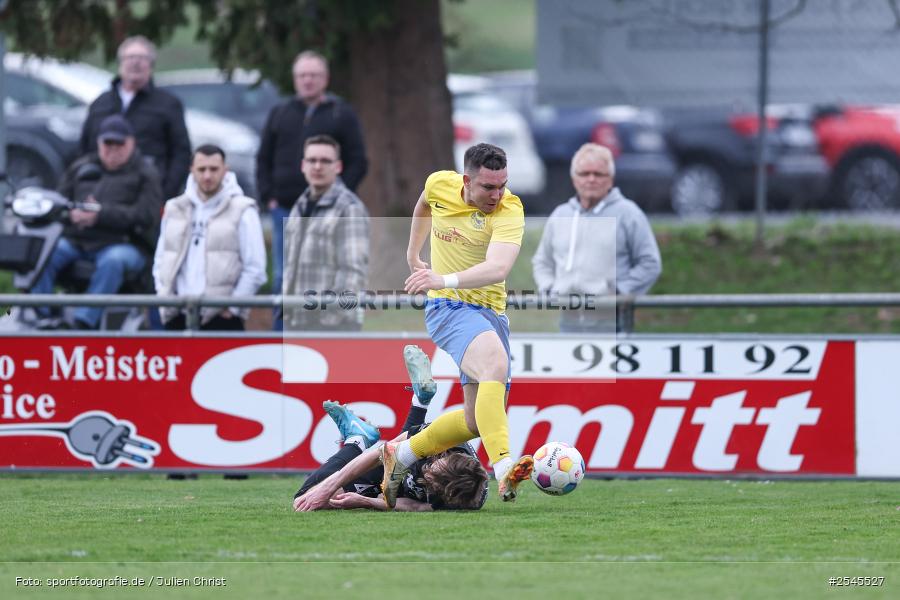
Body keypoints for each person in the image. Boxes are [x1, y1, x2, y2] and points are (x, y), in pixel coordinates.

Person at [379, 143, 534, 510]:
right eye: (488, 187)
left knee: (476, 421)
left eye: (502, 185)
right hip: (448, 307)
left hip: (491, 314)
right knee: (495, 363)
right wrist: (413, 254)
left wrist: (440, 277)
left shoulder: (510, 209)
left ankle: (401, 454)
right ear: (466, 181)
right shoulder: (440, 184)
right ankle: (504, 468)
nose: (497, 195)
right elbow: (423, 203)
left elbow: (498, 268)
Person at [293, 345, 488, 512]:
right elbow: (382, 453)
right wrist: (328, 487)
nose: (426, 470)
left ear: (446, 493)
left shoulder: (462, 500)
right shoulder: (439, 439)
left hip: (400, 486)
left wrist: (368, 501)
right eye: (432, 465)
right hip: (388, 466)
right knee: (307, 496)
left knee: (312, 501)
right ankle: (358, 440)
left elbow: (417, 506)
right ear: (445, 454)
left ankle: (419, 402)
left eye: (431, 477)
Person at [256, 50, 368, 328]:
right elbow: (263, 157)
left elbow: (358, 160)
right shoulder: (280, 113)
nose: (308, 80)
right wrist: (268, 196)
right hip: (286, 208)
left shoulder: (341, 114)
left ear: (325, 79)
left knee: (328, 274)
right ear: (295, 79)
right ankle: (282, 334)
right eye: (302, 75)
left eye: (314, 75)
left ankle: (326, 329)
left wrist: (337, 195)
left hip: (329, 211)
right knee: (284, 276)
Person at [32, 114, 161, 329]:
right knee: (42, 252)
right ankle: (43, 316)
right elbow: (58, 202)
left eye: (119, 144)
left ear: (132, 143)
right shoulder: (81, 166)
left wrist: (100, 214)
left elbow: (147, 216)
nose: (113, 149)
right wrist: (71, 214)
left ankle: (83, 322)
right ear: (99, 143)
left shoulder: (145, 173)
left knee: (113, 261)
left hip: (125, 243)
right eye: (108, 143)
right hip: (77, 241)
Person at [532, 143, 662, 333]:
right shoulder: (560, 215)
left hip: (614, 323)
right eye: (584, 173)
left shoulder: (629, 214)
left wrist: (620, 292)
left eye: (598, 174)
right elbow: (542, 261)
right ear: (574, 179)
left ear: (610, 179)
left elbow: (650, 263)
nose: (591, 179)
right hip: (568, 322)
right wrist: (549, 288)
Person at [152, 144, 267, 331]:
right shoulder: (174, 208)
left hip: (223, 318)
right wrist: (164, 297)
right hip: (178, 314)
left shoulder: (243, 209)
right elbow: (160, 260)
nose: (207, 176)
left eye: (213, 169)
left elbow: (255, 267)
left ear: (225, 170)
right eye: (201, 169)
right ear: (192, 170)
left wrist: (233, 308)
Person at [79, 35, 191, 202]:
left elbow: (181, 154)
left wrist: (164, 195)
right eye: (130, 57)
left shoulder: (168, 105)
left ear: (151, 65)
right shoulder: (100, 103)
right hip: (101, 195)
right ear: (120, 63)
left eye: (142, 58)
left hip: (147, 196)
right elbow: (84, 149)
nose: (135, 63)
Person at [281, 135, 369, 331]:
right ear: (303, 165)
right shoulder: (299, 206)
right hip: (297, 320)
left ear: (338, 167)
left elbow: (353, 272)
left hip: (333, 326)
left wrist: (330, 317)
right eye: (312, 160)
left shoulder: (349, 208)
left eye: (325, 161)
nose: (317, 166)